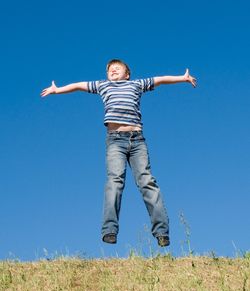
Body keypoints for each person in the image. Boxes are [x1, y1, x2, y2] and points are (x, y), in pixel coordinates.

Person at [41, 59, 196, 247]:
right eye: (109, 70)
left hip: (138, 140)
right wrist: (58, 90)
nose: (112, 70)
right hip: (115, 140)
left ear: (127, 74)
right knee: (115, 181)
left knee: (147, 181)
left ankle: (162, 233)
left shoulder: (137, 85)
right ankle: (109, 231)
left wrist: (182, 78)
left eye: (117, 68)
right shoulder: (103, 85)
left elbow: (161, 79)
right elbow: (79, 85)